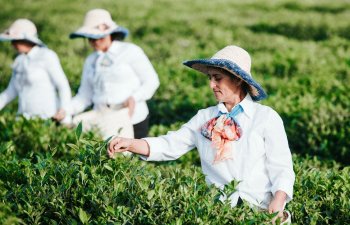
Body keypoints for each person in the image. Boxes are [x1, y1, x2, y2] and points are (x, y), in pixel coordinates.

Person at [108, 45, 295, 224]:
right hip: (219, 212)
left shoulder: (265, 117)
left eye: (217, 78)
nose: (212, 85)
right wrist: (130, 144)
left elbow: (281, 166)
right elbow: (170, 144)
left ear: (237, 79)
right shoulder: (204, 118)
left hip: (261, 209)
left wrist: (278, 202)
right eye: (210, 78)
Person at [62, 9, 160, 139]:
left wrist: (134, 98)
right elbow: (85, 94)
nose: (95, 42)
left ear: (110, 33)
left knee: (134, 156)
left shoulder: (130, 51)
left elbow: (151, 81)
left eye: (99, 37)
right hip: (104, 119)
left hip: (132, 117)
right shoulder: (91, 60)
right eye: (90, 38)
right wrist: (66, 110)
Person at [0, 19, 72, 123]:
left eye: (16, 40)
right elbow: (10, 91)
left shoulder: (46, 55)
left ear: (27, 40)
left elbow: (62, 85)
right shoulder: (19, 61)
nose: (13, 44)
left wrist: (64, 109)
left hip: (48, 118)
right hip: (24, 119)